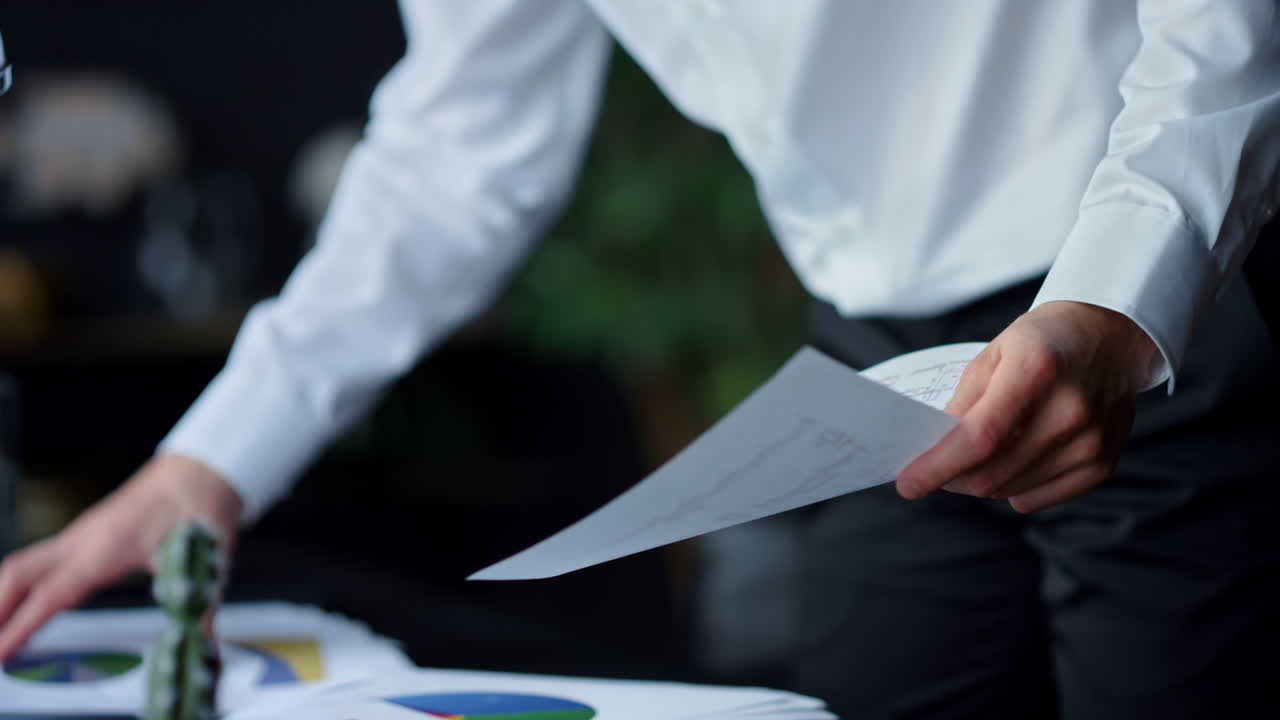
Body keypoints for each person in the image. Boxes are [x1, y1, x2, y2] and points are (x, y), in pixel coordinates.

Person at [2, 1, 1278, 717]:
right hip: (885, 358)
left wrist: (1119, 301)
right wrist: (206, 463)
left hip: (1169, 292)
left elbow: (1222, 30)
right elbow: (458, 156)